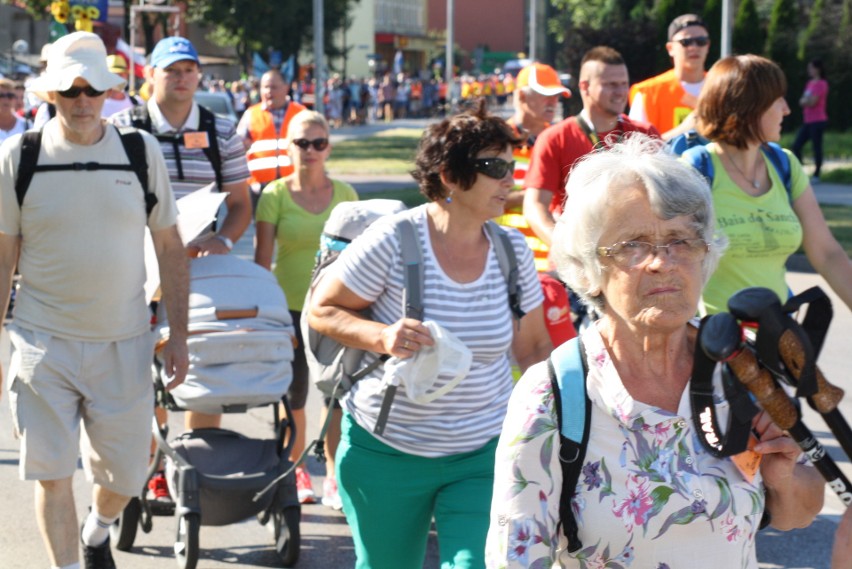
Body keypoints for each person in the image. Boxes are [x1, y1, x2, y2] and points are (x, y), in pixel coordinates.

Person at [486, 135, 825, 568]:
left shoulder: (740, 367)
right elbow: (513, 557)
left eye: (681, 240)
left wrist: (783, 478)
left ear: (705, 254)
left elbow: (798, 513)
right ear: (591, 267)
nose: (661, 261)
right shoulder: (555, 394)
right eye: (633, 244)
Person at [307, 102, 552, 568]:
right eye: (495, 167)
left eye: (512, 166)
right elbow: (323, 309)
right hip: (387, 452)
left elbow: (536, 347)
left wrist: (557, 420)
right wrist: (383, 336)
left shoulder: (511, 248)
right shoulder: (392, 239)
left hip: (482, 452)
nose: (510, 180)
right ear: (450, 176)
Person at [0, 31, 188, 569]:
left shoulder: (138, 150)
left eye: (92, 90)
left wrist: (179, 334)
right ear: (49, 96)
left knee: (128, 474)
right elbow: (2, 257)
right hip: (42, 342)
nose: (82, 100)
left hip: (125, 341)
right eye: (70, 90)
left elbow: (170, 247)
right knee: (52, 474)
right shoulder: (21, 156)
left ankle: (99, 527)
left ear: (108, 93)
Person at [110, 35, 252, 501]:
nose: (182, 77)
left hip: (197, 269)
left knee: (201, 370)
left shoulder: (221, 129)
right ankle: (152, 466)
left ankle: (196, 464)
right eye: (172, 69)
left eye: (189, 69)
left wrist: (224, 239)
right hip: (132, 271)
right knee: (140, 373)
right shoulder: (121, 128)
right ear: (150, 74)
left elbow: (239, 205)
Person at [690, 54, 852, 316]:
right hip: (711, 345)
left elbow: (827, 253)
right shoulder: (695, 172)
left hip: (775, 341)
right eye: (777, 100)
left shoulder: (784, 164)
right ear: (749, 107)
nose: (787, 109)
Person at [254, 110, 359, 508]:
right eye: (301, 143)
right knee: (293, 397)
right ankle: (296, 469)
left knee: (335, 397)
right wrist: (266, 318)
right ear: (287, 146)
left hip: (337, 312)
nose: (310, 151)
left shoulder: (347, 196)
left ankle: (332, 474)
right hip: (289, 312)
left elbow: (364, 259)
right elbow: (262, 263)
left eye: (318, 143)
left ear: (328, 147)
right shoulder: (274, 195)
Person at [523, 46, 659, 249]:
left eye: (624, 84)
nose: (621, 92)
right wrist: (567, 251)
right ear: (585, 87)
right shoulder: (555, 138)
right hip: (579, 264)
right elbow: (534, 206)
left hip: (634, 259)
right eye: (611, 85)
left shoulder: (645, 134)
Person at [496, 62, 570, 271]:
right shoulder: (495, 142)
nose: (553, 102)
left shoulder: (559, 142)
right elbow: (476, 201)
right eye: (545, 95)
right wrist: (533, 196)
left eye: (556, 96)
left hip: (551, 267)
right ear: (521, 97)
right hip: (506, 263)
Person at [628, 14, 710, 140]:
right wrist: (682, 130)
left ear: (708, 46)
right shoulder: (649, 92)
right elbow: (635, 149)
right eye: (686, 42)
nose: (694, 47)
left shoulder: (723, 88)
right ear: (670, 48)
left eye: (701, 41)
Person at [237, 69, 307, 211]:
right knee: (263, 231)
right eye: (265, 87)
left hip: (294, 185)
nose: (268, 91)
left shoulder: (301, 113)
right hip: (260, 188)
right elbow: (237, 148)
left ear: (286, 88)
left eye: (273, 87)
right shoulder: (251, 114)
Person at [791, 58, 829, 182]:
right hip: (808, 120)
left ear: (818, 69)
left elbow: (812, 102)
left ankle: (817, 174)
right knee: (796, 146)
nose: (809, 71)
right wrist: (805, 101)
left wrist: (805, 101)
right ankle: (800, 172)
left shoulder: (822, 84)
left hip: (818, 120)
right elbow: (802, 101)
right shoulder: (810, 83)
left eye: (811, 68)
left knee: (816, 147)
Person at [0, 78, 27, 143]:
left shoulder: (26, 125)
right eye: (1, 95)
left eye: (10, 96)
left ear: (15, 99)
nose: (5, 100)